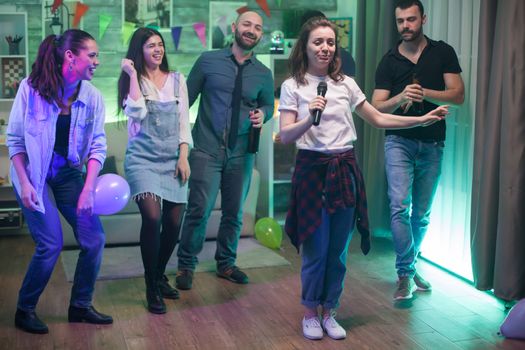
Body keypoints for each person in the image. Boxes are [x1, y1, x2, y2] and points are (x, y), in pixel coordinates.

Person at [278, 17, 448, 341]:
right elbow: (286, 135)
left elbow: (378, 117)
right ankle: (310, 312)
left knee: (339, 249)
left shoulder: (345, 83)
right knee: (317, 246)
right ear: (306, 46)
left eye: (330, 42)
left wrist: (422, 119)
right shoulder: (292, 86)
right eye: (318, 42)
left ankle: (331, 311)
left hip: (344, 168)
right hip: (312, 171)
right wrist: (307, 119)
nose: (325, 48)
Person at [6, 29, 113, 334]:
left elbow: (97, 145)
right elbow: (15, 141)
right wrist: (25, 184)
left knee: (94, 239)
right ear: (70, 56)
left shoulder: (92, 97)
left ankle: (80, 306)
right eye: (91, 55)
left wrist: (89, 188)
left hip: (68, 174)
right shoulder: (31, 88)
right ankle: (24, 310)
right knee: (51, 243)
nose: (97, 61)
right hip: (32, 174)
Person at [371, 0, 464, 301]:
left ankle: (408, 268)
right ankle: (404, 274)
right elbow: (376, 106)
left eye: (411, 20)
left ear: (423, 18)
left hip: (433, 142)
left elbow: (458, 95)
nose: (405, 26)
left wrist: (426, 93)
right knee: (399, 206)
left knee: (421, 214)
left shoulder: (443, 52)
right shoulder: (388, 60)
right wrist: (401, 96)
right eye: (400, 22)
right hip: (398, 141)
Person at [175, 11, 274, 289]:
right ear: (234, 28)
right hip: (206, 149)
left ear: (260, 35)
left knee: (234, 214)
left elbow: (268, 105)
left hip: (242, 153)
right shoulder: (208, 61)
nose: (251, 30)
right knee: (198, 211)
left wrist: (263, 114)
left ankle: (226, 263)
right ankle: (186, 265)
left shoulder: (263, 73)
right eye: (246, 25)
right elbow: (186, 100)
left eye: (257, 27)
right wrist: (178, 142)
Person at [117, 27, 191, 314]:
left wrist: (183, 157)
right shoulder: (132, 83)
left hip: (172, 160)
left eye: (160, 45)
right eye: (150, 46)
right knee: (152, 217)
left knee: (173, 225)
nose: (158, 50)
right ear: (140, 51)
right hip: (142, 160)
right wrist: (133, 75)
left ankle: (159, 275)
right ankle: (151, 286)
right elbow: (136, 112)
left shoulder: (177, 80)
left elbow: (184, 123)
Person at [300, 10, 356, 78]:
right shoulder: (291, 85)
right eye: (317, 43)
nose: (325, 48)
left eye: (330, 43)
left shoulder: (344, 57)